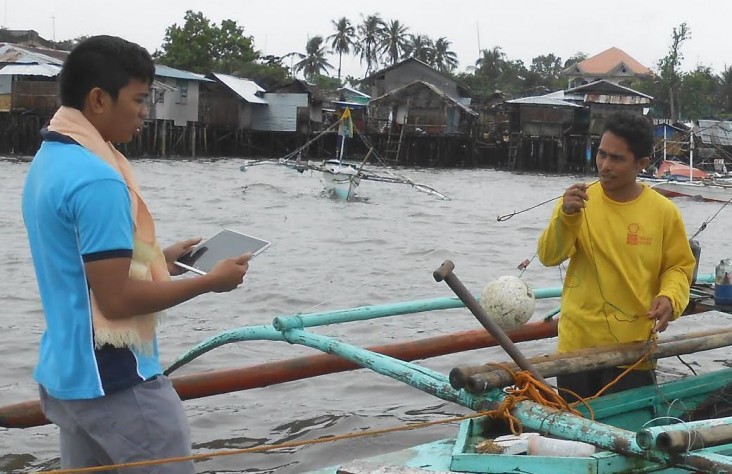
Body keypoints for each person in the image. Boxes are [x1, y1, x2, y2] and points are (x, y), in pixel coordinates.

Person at [22, 35, 251, 473]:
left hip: (67, 379)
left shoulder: (49, 161)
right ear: (98, 100)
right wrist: (208, 282)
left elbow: (79, 270)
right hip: (115, 382)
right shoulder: (98, 179)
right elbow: (116, 300)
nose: (146, 111)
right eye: (139, 99)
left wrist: (159, 261)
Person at [537, 112, 696, 402]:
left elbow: (678, 267)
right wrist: (566, 216)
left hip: (632, 352)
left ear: (642, 164)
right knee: (577, 435)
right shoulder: (577, 201)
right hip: (577, 348)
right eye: (601, 154)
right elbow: (549, 256)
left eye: (617, 159)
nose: (605, 166)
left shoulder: (663, 212)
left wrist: (670, 298)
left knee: (627, 436)